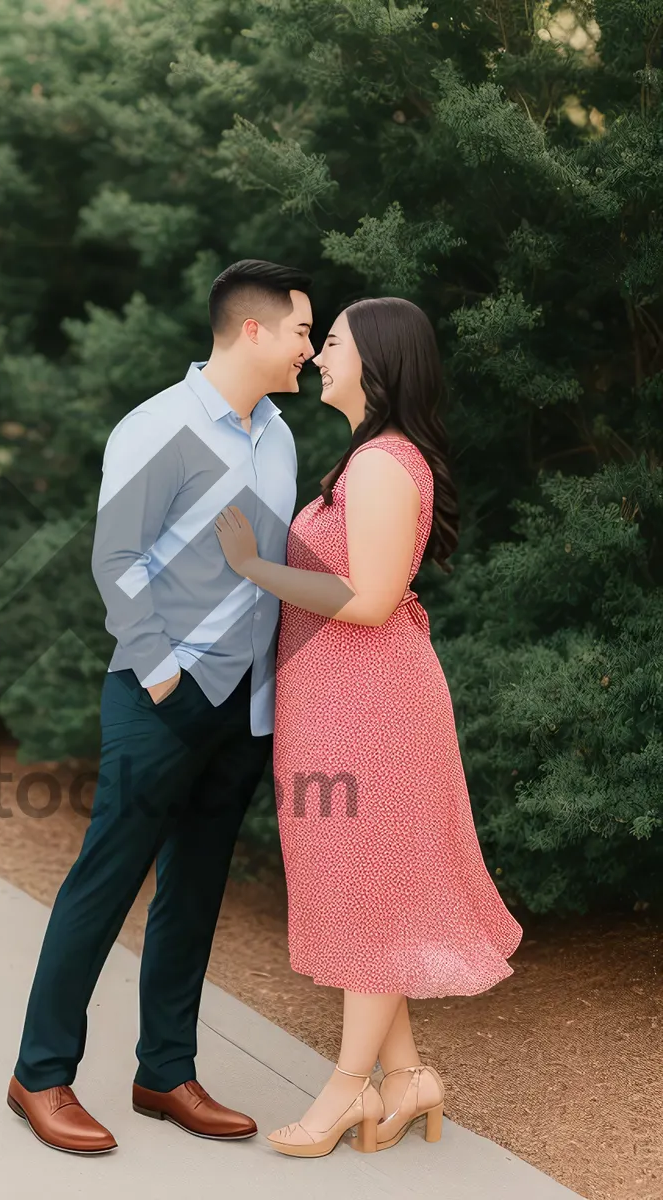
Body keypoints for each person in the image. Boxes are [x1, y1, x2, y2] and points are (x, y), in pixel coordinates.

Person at [6, 259, 315, 1154]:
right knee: (103, 888)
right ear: (252, 331)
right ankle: (40, 1076)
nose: (309, 346)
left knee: (194, 894)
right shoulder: (160, 425)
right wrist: (160, 671)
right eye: (302, 330)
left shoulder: (281, 436)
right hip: (160, 698)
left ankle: (164, 1073)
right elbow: (116, 560)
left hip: (244, 706)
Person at [212, 295, 523, 1158]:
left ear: (377, 362)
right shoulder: (364, 460)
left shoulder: (386, 463)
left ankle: (346, 1091)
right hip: (337, 706)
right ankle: (408, 1076)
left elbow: (371, 600)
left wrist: (252, 568)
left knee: (371, 894)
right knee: (360, 889)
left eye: (333, 343)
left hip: (373, 711)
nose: (318, 357)